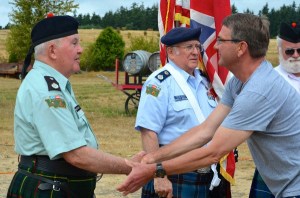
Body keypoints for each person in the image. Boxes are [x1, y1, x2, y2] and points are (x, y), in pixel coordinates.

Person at [117, 13, 300, 198]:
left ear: (241, 48)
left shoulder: (258, 90)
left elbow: (214, 152)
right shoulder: (239, 82)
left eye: (221, 40)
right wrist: (152, 158)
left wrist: (155, 170)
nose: (215, 46)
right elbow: (205, 131)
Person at [7, 14, 143, 198]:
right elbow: (76, 155)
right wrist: (130, 166)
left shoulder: (51, 83)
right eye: (74, 43)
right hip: (50, 188)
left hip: (58, 185)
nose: (81, 49)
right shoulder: (46, 89)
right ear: (53, 51)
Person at [135, 27, 230, 198]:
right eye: (189, 47)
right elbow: (149, 132)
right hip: (173, 173)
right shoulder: (158, 83)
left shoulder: (206, 82)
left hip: (208, 174)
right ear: (171, 52)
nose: (195, 52)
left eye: (197, 47)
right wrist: (158, 174)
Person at [249, 21, 300, 198]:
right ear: (279, 50)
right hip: (272, 165)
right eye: (289, 51)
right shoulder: (268, 80)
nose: (295, 55)